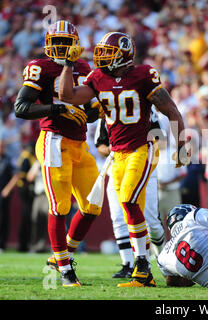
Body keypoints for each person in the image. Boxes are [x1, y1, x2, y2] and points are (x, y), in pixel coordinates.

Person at [58, 31, 189, 287]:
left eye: (109, 53)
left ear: (124, 54)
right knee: (130, 210)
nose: (102, 57)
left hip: (142, 148)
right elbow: (67, 96)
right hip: (117, 154)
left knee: (129, 201)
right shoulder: (98, 77)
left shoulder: (143, 75)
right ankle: (145, 270)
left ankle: (143, 267)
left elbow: (170, 109)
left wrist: (182, 145)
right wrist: (67, 65)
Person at [13, 20, 103, 287]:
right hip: (53, 140)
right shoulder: (40, 67)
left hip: (79, 143)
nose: (62, 47)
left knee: (92, 205)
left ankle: (61, 256)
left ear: (75, 43)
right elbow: (21, 107)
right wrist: (57, 109)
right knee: (60, 206)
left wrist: (92, 112)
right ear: (48, 44)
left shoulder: (84, 67)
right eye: (58, 41)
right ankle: (64, 270)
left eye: (67, 42)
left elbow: (91, 111)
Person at [94, 111, 166, 278]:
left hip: (142, 163)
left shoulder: (145, 104)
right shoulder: (106, 105)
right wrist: (114, 148)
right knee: (119, 217)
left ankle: (163, 260)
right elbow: (100, 145)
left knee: (151, 221)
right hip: (116, 165)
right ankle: (128, 263)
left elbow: (159, 137)